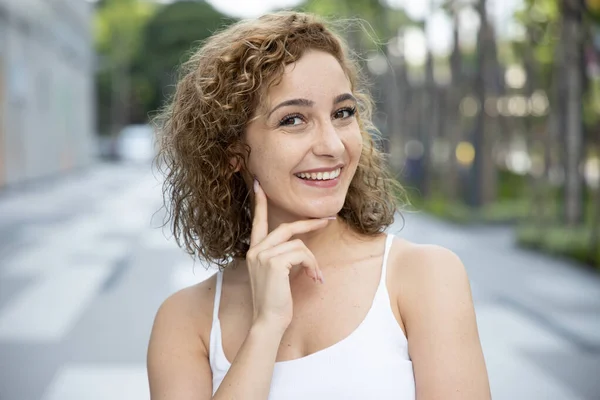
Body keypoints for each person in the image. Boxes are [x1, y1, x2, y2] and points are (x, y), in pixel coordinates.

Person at [147, 11, 491, 400]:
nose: (332, 145)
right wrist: (266, 326)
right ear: (232, 153)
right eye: (293, 119)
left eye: (343, 113)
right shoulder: (184, 320)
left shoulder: (424, 276)